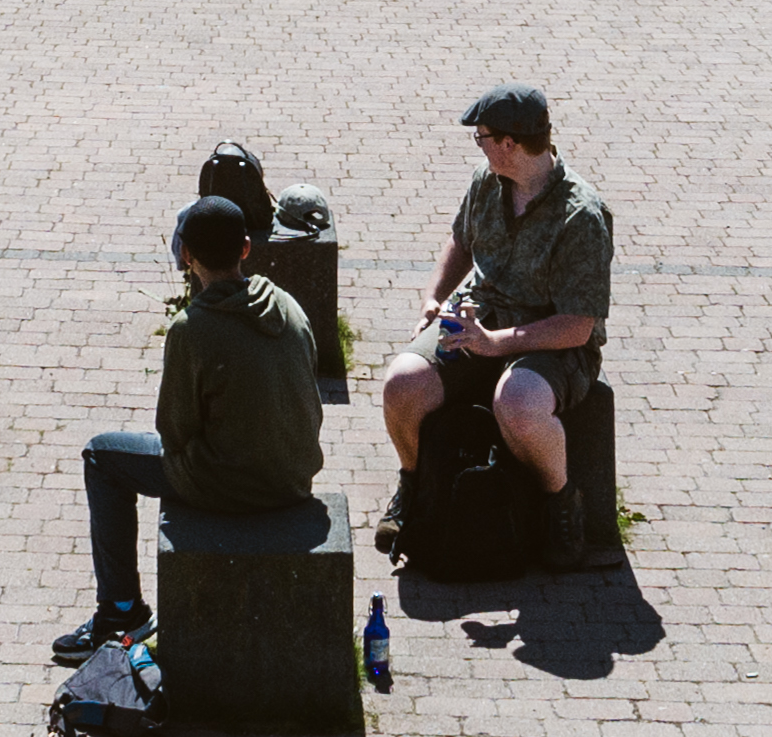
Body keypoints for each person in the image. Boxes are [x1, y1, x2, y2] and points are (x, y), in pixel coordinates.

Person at [54, 193, 323, 660]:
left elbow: (175, 434)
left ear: (186, 256)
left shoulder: (191, 328)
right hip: (294, 476)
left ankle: (121, 611)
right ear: (245, 248)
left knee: (102, 455)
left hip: (232, 485)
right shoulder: (288, 305)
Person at [375, 82, 609, 543]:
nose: (478, 145)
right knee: (402, 383)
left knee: (519, 403)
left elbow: (577, 327)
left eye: (482, 136)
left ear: (509, 143)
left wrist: (492, 344)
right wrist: (434, 297)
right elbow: (461, 242)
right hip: (482, 314)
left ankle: (561, 504)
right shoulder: (487, 181)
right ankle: (415, 485)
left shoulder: (581, 216)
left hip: (551, 338)